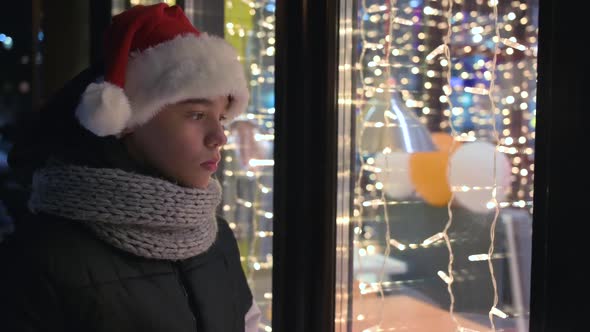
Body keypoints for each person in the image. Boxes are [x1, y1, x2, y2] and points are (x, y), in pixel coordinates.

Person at [0, 3, 261, 331]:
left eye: (221, 117)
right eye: (197, 114)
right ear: (127, 121)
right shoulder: (40, 257)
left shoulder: (216, 237)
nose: (219, 136)